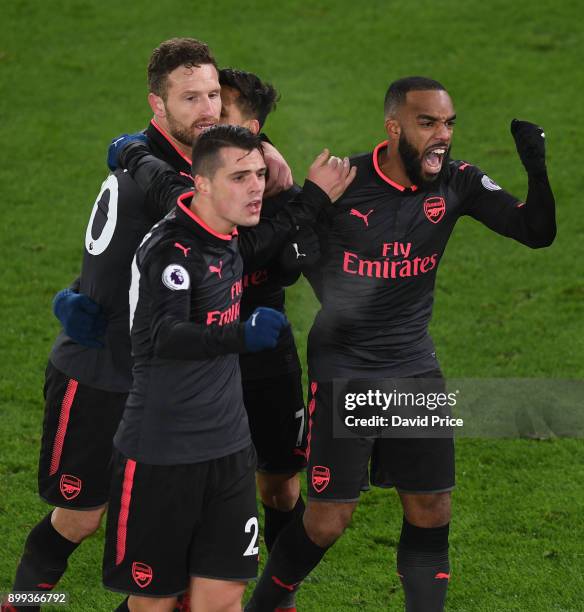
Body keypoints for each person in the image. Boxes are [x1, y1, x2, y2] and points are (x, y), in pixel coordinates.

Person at [244, 77, 556, 611]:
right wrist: (302, 216)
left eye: (449, 124)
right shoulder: (345, 183)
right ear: (393, 127)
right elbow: (279, 258)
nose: (443, 136)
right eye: (428, 123)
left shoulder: (457, 183)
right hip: (345, 368)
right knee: (326, 520)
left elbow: (536, 231)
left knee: (432, 508)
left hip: (412, 363)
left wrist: (536, 167)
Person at [3, 38, 293, 612]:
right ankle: (23, 602)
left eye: (213, 94)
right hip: (104, 372)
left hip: (166, 386)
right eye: (191, 98)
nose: (209, 109)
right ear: (158, 106)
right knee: (80, 518)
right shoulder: (160, 177)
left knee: (172, 559)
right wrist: (291, 193)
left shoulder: (177, 159)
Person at [103, 124, 355, 611]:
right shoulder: (169, 251)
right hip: (162, 454)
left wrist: (317, 196)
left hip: (230, 452)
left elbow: (277, 232)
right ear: (201, 183)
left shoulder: (231, 239)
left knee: (220, 600)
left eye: (259, 173)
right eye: (240, 177)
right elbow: (167, 335)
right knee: (154, 604)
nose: (257, 186)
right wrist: (241, 334)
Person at [218, 68, 319, 612]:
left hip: (267, 360)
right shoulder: (187, 175)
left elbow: (290, 261)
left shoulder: (279, 194)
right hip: (201, 356)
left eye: (222, 108)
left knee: (280, 487)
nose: (209, 116)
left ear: (253, 127)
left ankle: (279, 598)